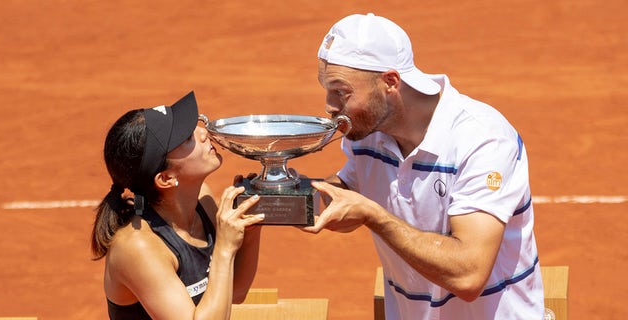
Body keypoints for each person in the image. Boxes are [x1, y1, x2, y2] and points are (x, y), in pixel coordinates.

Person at [305, 13, 544, 319]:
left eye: (341, 91)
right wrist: (288, 193)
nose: (329, 105)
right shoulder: (366, 133)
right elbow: (346, 204)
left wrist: (373, 215)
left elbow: (468, 275)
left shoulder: (483, 139)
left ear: (390, 81)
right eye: (326, 89)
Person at [90, 91, 265, 320]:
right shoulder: (137, 246)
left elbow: (237, 292)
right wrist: (224, 247)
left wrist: (251, 230)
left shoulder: (202, 200)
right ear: (166, 178)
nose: (203, 132)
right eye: (187, 140)